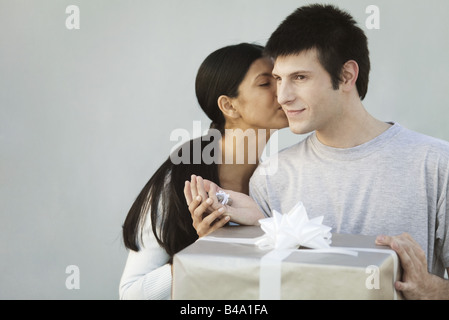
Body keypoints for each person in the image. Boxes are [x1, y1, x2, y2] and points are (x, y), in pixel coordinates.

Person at [187, 4, 449, 299]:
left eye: (299, 77)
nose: (283, 97)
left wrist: (432, 289)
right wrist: (223, 245)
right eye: (277, 79)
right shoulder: (272, 178)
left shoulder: (436, 164)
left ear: (347, 75)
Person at [118, 43, 288, 299]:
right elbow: (132, 294)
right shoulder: (177, 180)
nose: (283, 91)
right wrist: (203, 251)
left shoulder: (277, 181)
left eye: (280, 79)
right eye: (266, 83)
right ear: (229, 106)